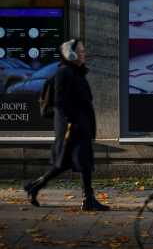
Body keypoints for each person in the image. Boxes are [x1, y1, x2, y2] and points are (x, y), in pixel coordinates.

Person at [24, 39, 109, 211]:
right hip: (72, 126)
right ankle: (88, 199)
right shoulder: (65, 73)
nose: (84, 54)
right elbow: (60, 102)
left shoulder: (76, 72)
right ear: (70, 54)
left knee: (68, 164)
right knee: (80, 162)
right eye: (80, 51)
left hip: (79, 125)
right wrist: (72, 122)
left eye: (83, 50)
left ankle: (35, 186)